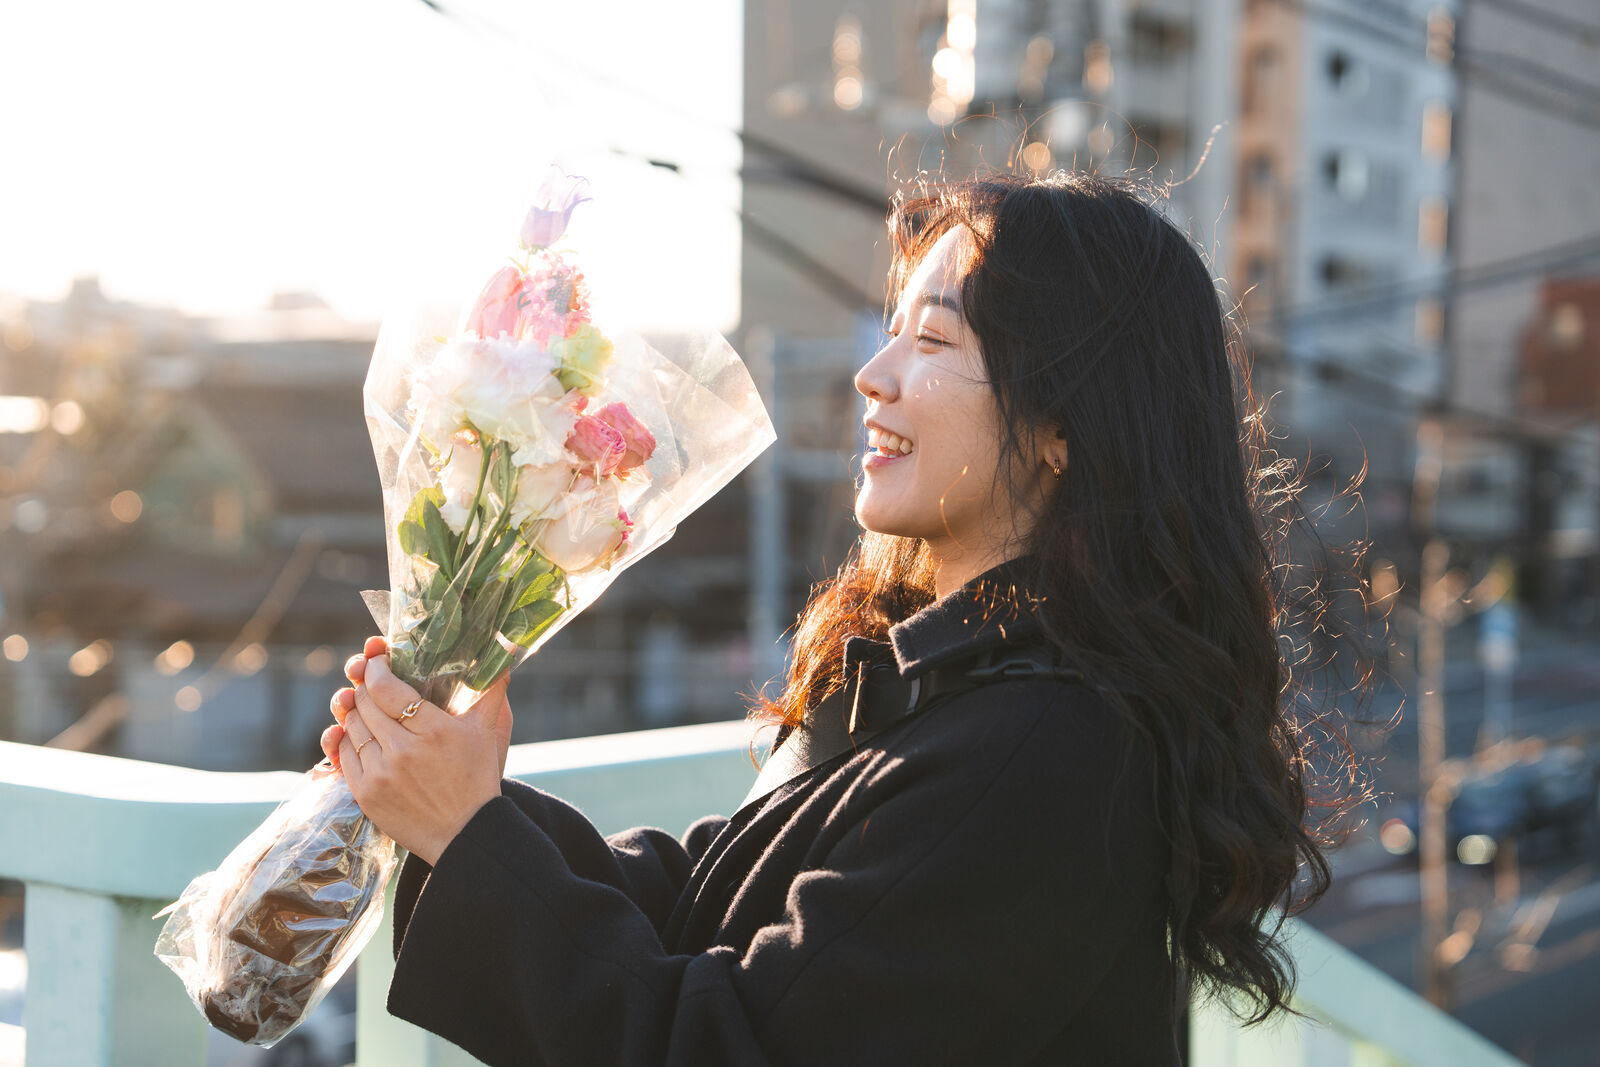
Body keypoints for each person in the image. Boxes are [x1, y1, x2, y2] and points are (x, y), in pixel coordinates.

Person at [320, 171, 1359, 1065]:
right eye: (891, 329)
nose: (874, 375)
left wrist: (468, 828)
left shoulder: (1051, 750)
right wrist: (459, 795)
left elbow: (727, 1045)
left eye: (934, 339)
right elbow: (706, 897)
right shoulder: (950, 676)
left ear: (1059, 425)